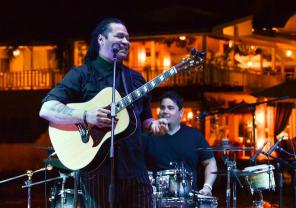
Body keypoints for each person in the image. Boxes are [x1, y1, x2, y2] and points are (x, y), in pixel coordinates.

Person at [39, 18, 168, 208]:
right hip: (97, 173)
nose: (126, 41)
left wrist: (155, 126)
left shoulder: (136, 79)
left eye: (128, 38)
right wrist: (86, 116)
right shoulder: (82, 74)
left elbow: (146, 121)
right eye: (120, 36)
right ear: (101, 39)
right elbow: (46, 109)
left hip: (136, 171)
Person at [143, 91, 217, 196]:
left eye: (170, 108)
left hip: (188, 199)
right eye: (163, 107)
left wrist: (207, 187)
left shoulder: (195, 136)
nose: (165, 111)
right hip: (156, 200)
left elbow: (210, 162)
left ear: (181, 112)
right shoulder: (149, 137)